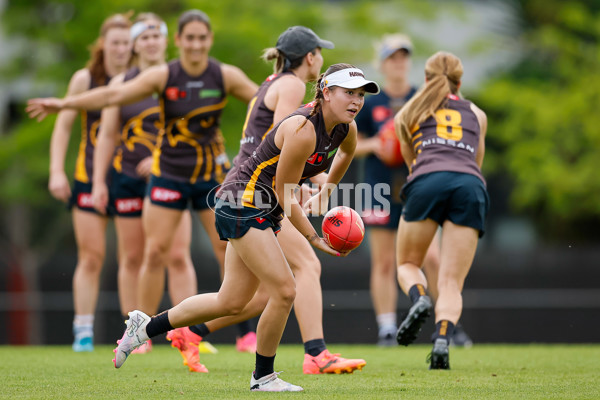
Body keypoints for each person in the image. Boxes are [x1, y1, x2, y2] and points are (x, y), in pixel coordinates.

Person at [102, 64, 379, 392]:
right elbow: (283, 192)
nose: (356, 101)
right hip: (243, 201)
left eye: (361, 94)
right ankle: (263, 377)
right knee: (285, 290)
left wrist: (326, 192)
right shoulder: (303, 129)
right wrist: (314, 237)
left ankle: (144, 327)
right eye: (349, 93)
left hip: (258, 205)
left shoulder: (346, 128)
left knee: (231, 301)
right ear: (326, 92)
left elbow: (345, 154)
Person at [27, 9, 258, 359]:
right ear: (178, 41)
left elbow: (265, 104)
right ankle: (141, 332)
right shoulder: (164, 76)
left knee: (227, 248)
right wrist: (64, 104)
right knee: (152, 252)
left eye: (202, 38)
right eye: (189, 38)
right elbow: (109, 98)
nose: (195, 44)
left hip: (210, 175)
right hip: (168, 176)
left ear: (209, 40)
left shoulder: (224, 75)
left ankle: (208, 332)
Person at [170, 26, 366, 375]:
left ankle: (191, 331)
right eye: (319, 52)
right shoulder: (292, 86)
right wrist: (307, 190)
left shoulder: (273, 81)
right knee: (307, 266)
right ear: (311, 58)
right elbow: (288, 143)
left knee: (256, 296)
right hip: (257, 191)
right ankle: (316, 355)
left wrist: (318, 186)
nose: (320, 58)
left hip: (253, 185)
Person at [91, 12, 197, 355]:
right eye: (144, 36)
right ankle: (135, 334)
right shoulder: (122, 83)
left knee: (178, 255)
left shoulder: (179, 78)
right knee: (134, 255)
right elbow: (107, 135)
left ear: (167, 40)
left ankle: (187, 334)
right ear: (136, 44)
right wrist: (98, 183)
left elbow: (194, 128)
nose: (151, 41)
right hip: (128, 181)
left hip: (173, 176)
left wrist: (160, 158)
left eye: (156, 35)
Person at [393, 51, 488, 369]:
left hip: (427, 182)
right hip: (469, 187)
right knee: (450, 282)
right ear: (460, 82)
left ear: (425, 79)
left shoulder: (408, 112)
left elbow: (412, 166)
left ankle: (419, 297)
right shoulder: (477, 114)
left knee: (407, 263)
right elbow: (475, 164)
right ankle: (443, 339)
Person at [45, 13, 132, 352]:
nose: (121, 49)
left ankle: (133, 330)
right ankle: (83, 330)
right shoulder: (85, 78)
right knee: (92, 256)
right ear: (103, 45)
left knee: (132, 257)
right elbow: (64, 124)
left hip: (127, 178)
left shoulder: (140, 78)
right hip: (87, 175)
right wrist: (56, 170)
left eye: (127, 43)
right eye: (116, 43)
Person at [354, 33, 442, 346]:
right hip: (377, 188)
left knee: (431, 257)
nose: (398, 63)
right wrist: (377, 144)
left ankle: (446, 326)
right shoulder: (369, 100)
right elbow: (349, 145)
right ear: (382, 63)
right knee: (384, 262)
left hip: (417, 187)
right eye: (392, 57)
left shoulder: (423, 98)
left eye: (403, 56)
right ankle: (387, 328)